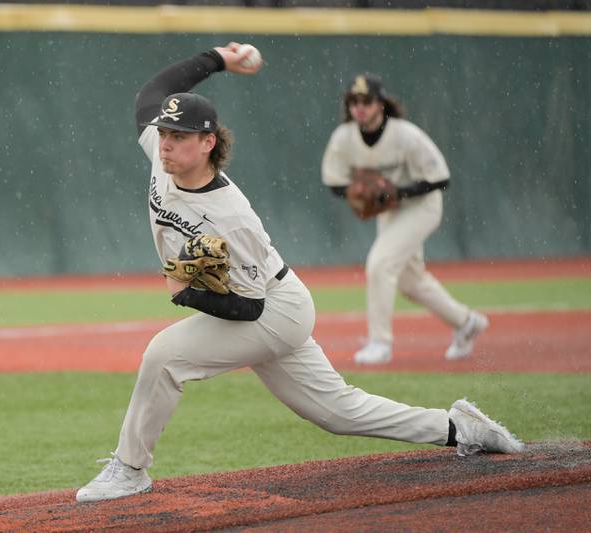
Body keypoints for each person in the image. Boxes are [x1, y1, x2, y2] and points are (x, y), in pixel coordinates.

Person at [75, 44, 523, 504]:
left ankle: (129, 470)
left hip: (273, 309)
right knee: (337, 412)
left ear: (208, 143)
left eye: (179, 136)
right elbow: (153, 91)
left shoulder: (232, 217)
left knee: (164, 356)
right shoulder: (160, 152)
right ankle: (458, 427)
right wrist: (218, 58)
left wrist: (183, 290)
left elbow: (248, 308)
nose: (165, 143)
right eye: (165, 132)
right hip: (259, 305)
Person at [321, 74, 489, 365]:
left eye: (367, 101)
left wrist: (398, 191)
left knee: (380, 264)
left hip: (421, 207)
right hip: (390, 212)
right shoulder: (344, 138)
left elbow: (441, 178)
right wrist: (357, 192)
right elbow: (334, 182)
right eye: (354, 101)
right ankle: (466, 323)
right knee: (410, 282)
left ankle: (380, 343)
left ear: (381, 104)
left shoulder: (405, 135)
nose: (359, 107)